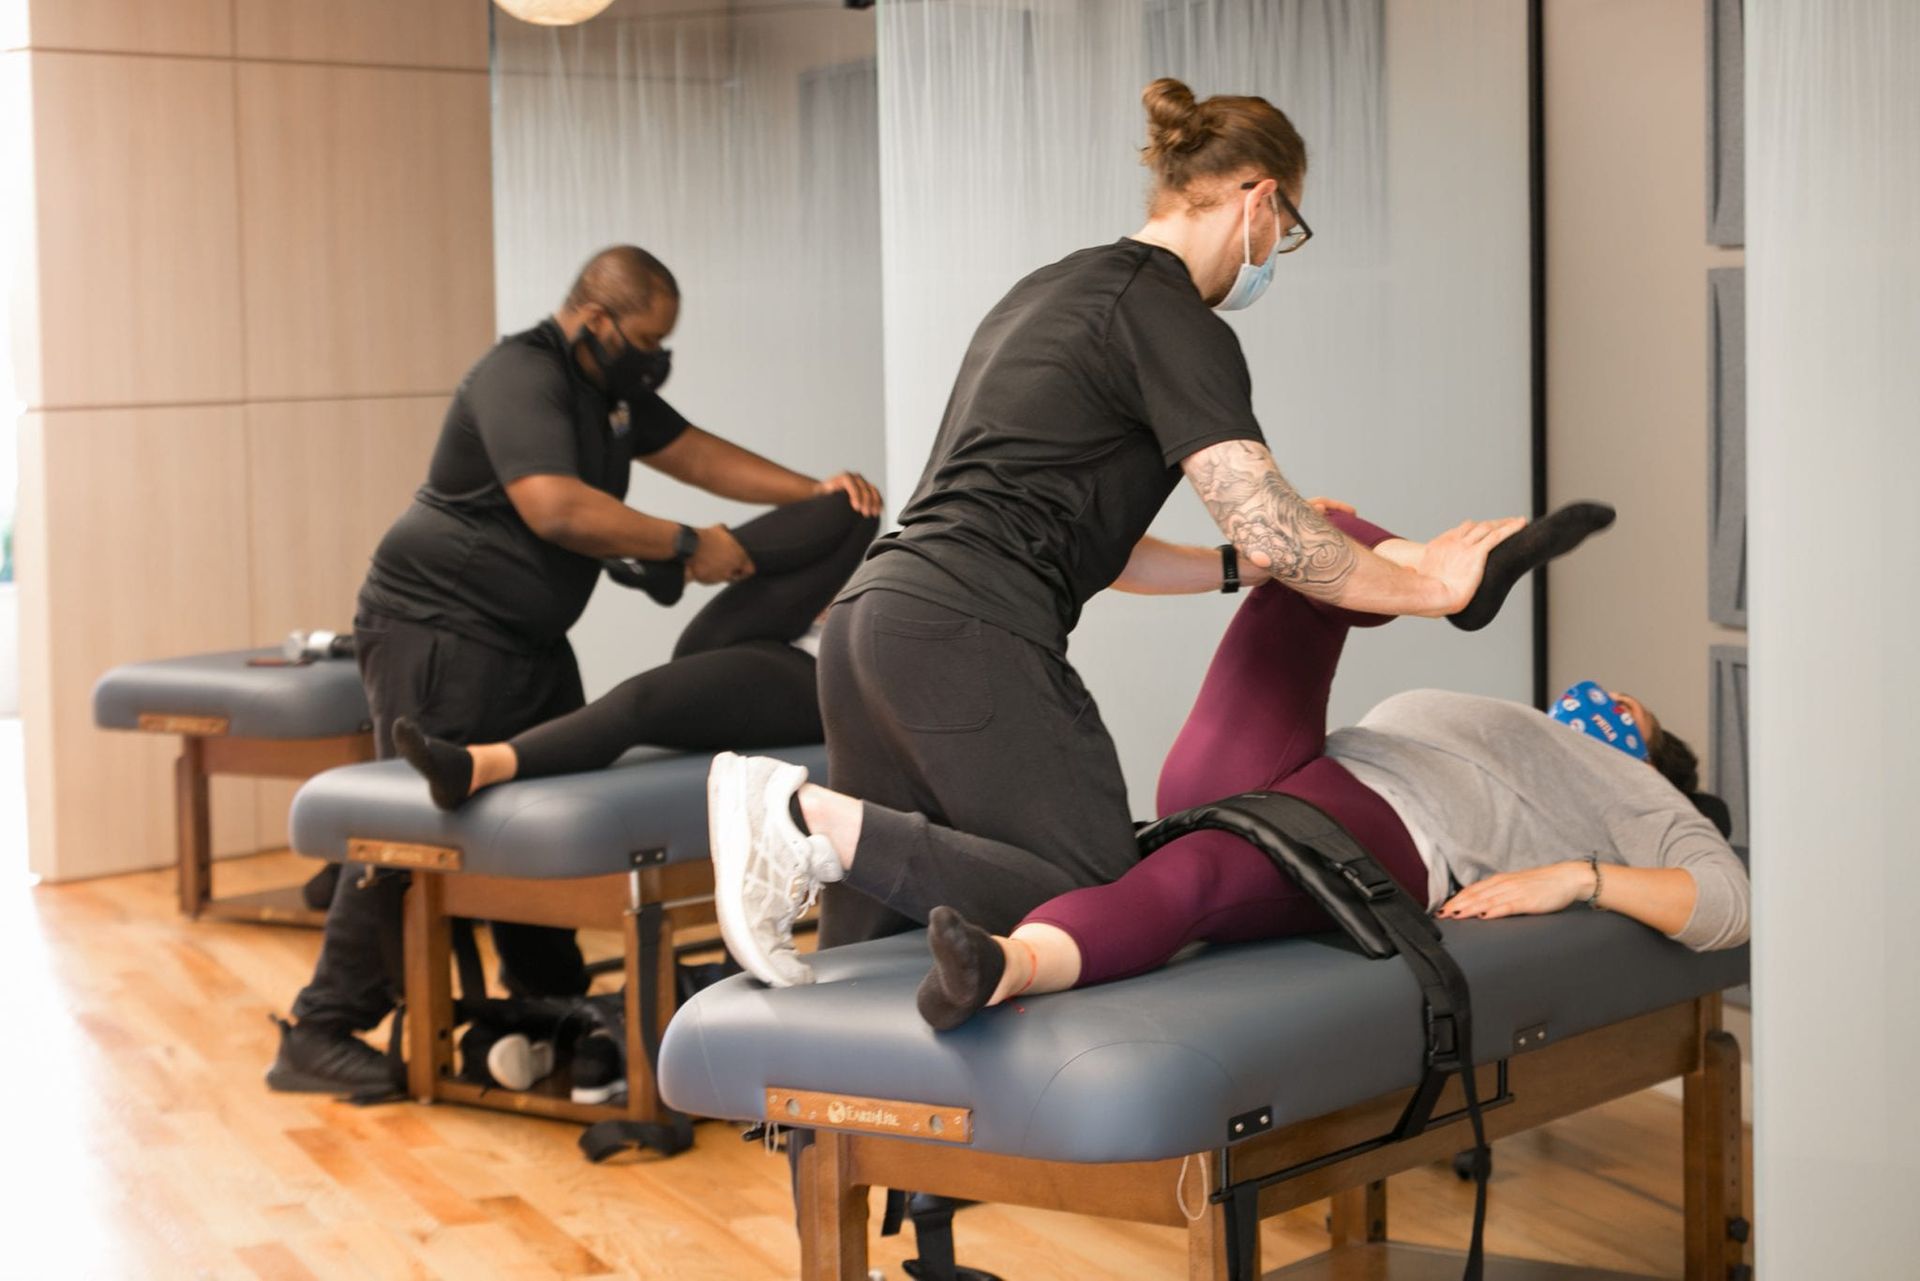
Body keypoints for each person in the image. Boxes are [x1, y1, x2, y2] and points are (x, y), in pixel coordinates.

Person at [703, 78, 1618, 988]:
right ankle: (797, 818)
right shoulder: (1172, 314)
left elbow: (1097, 542)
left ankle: (808, 1101)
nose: (1275, 257)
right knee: (1097, 891)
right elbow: (1272, 516)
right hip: (964, 628)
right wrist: (1436, 591)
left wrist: (1235, 569)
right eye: (1287, 232)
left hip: (877, 618)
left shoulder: (1051, 289)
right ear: (1261, 199)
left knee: (876, 927)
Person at [267, 245, 881, 1094]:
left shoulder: (610, 390)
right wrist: (685, 544)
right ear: (597, 319)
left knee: (526, 813)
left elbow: (696, 454)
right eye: (647, 337)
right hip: (437, 625)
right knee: (408, 827)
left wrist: (809, 492)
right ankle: (320, 1026)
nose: (656, 355)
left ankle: (549, 1006)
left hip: (525, 638)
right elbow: (552, 506)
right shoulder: (521, 376)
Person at [910, 506, 1752, 1029]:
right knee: (1328, 535)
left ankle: (999, 965)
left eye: (1625, 710)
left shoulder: (1634, 793)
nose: (1599, 698)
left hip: (1382, 841)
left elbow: (1728, 905)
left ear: (1644, 753)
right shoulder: (1515, 721)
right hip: (1292, 767)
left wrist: (1579, 877)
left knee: (1194, 877)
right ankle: (1462, 582)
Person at [391, 492, 877, 810]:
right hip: (789, 633)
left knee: (640, 703)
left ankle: (477, 766)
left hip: (821, 677)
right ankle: (677, 568)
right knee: (851, 507)